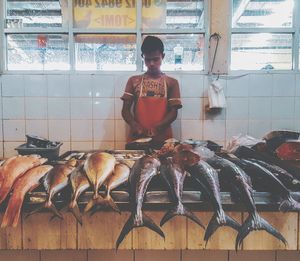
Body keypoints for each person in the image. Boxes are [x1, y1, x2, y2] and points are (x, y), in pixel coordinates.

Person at [121, 36, 182, 148]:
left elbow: (174, 113)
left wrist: (158, 127)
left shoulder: (172, 83)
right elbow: (125, 110)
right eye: (148, 59)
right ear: (142, 57)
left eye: (156, 59)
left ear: (163, 56)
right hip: (137, 139)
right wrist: (134, 125)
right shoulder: (133, 81)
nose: (152, 63)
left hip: (164, 141)